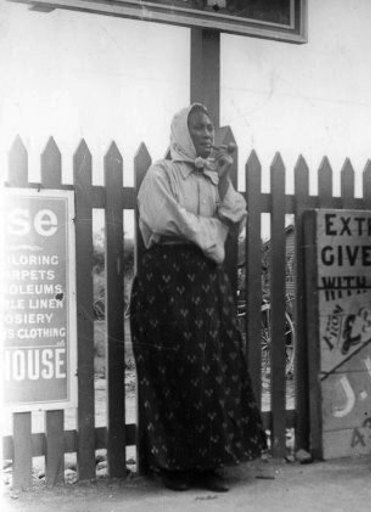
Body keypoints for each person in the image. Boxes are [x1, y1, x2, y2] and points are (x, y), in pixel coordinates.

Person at [130, 103, 267, 492]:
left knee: (212, 366)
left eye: (210, 128)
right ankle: (174, 466)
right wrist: (214, 230)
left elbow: (235, 215)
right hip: (168, 281)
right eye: (199, 128)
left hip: (206, 283)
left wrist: (222, 183)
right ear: (182, 133)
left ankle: (209, 463)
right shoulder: (161, 174)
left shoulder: (212, 177)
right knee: (174, 369)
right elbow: (168, 221)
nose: (208, 134)